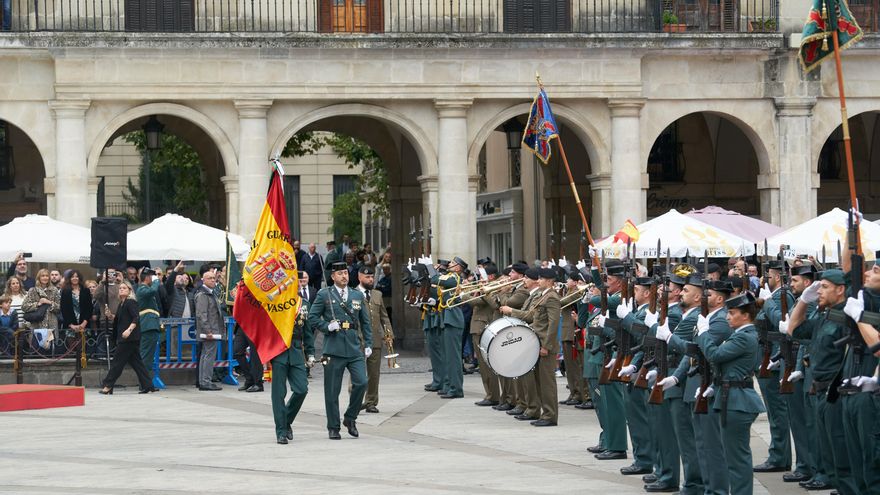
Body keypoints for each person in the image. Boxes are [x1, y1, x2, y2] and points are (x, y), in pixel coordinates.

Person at [695, 292, 765, 495]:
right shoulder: (741, 334)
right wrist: (714, 385)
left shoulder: (744, 336)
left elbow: (714, 354)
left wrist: (703, 333)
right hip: (731, 397)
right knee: (734, 457)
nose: (727, 317)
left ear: (745, 315)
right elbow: (727, 365)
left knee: (737, 459)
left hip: (737, 401)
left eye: (732, 313)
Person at [308, 261, 372, 440]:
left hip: (353, 347)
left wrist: (368, 343)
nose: (344, 276)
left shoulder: (356, 295)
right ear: (333, 276)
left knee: (362, 382)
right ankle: (333, 426)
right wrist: (327, 326)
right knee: (332, 391)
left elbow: (365, 322)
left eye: (346, 273)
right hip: (333, 348)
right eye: (340, 274)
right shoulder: (324, 294)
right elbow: (312, 317)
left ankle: (350, 418)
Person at [501, 267, 561, 426]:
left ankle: (550, 416)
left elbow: (553, 324)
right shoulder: (543, 295)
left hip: (545, 344)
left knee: (547, 383)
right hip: (537, 341)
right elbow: (533, 317)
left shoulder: (552, 297)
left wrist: (546, 346)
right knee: (539, 382)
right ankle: (543, 413)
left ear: (549, 281)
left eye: (541, 279)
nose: (538, 281)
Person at [753, 260, 794, 474]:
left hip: (773, 360)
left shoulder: (782, 296)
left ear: (777, 277)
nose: (764, 279)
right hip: (765, 356)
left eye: (768, 275)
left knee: (778, 412)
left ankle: (779, 456)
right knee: (773, 412)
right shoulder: (774, 296)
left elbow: (781, 322)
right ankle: (778, 454)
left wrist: (767, 302)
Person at [271, 274, 316, 444]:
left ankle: (286, 420)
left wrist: (310, 353)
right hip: (279, 350)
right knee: (278, 393)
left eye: (296, 283)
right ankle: (281, 431)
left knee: (301, 389)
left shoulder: (304, 304)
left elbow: (308, 332)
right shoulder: (275, 302)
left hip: (297, 350)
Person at [99, 282, 154, 394]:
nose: (121, 289)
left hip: (128, 338)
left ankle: (108, 385)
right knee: (137, 364)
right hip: (127, 338)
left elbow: (136, 317)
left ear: (130, 290)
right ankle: (148, 385)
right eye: (120, 288)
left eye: (124, 288)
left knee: (117, 362)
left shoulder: (131, 302)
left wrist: (129, 330)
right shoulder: (122, 304)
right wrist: (110, 315)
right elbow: (121, 319)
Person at [464, 262, 502, 407]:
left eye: (481, 276)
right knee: (482, 364)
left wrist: (464, 294)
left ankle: (493, 395)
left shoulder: (492, 288)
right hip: (478, 326)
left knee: (486, 365)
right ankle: (490, 394)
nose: (479, 279)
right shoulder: (486, 287)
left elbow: (476, 302)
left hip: (483, 326)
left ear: (490, 276)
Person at [358, 265, 391, 413]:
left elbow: (384, 317)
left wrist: (389, 334)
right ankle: (356, 400)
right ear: (360, 277)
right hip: (358, 340)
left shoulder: (377, 294)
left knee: (374, 373)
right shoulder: (353, 294)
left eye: (372, 277)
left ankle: (370, 402)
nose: (370, 279)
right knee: (357, 373)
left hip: (375, 339)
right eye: (367, 277)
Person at [436, 257, 468, 399]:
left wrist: (430, 269)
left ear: (458, 268)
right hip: (449, 319)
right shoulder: (451, 277)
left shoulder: (454, 279)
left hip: (453, 319)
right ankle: (449, 385)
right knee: (448, 356)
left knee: (454, 357)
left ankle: (456, 388)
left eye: (453, 263)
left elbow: (435, 280)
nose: (449, 264)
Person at [194, 270, 226, 391]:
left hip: (211, 330)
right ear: (203, 280)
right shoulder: (203, 295)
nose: (213, 280)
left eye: (214, 278)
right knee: (208, 356)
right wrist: (208, 331)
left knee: (206, 355)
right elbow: (201, 314)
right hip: (209, 331)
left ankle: (203, 381)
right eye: (210, 278)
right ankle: (205, 382)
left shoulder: (209, 293)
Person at [136, 268, 162, 390]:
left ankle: (146, 383)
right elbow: (153, 291)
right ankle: (144, 384)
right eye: (152, 277)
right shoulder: (142, 289)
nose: (154, 279)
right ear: (147, 278)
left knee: (148, 357)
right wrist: (156, 281)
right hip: (148, 326)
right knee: (146, 357)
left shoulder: (145, 289)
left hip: (151, 325)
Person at [20, 268, 61, 348]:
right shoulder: (32, 290)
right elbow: (24, 306)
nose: (45, 278)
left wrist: (49, 302)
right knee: (37, 347)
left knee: (51, 347)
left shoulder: (54, 290)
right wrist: (38, 304)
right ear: (39, 278)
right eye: (43, 276)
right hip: (36, 323)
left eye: (46, 276)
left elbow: (59, 307)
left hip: (51, 323)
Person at [60, 269, 93, 339]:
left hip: (84, 325)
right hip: (70, 326)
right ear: (69, 279)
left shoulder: (86, 291)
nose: (74, 278)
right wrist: (71, 325)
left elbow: (89, 308)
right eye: (72, 277)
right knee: (71, 345)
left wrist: (84, 323)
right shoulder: (65, 292)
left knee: (84, 345)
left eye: (76, 276)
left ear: (79, 278)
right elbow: (63, 309)